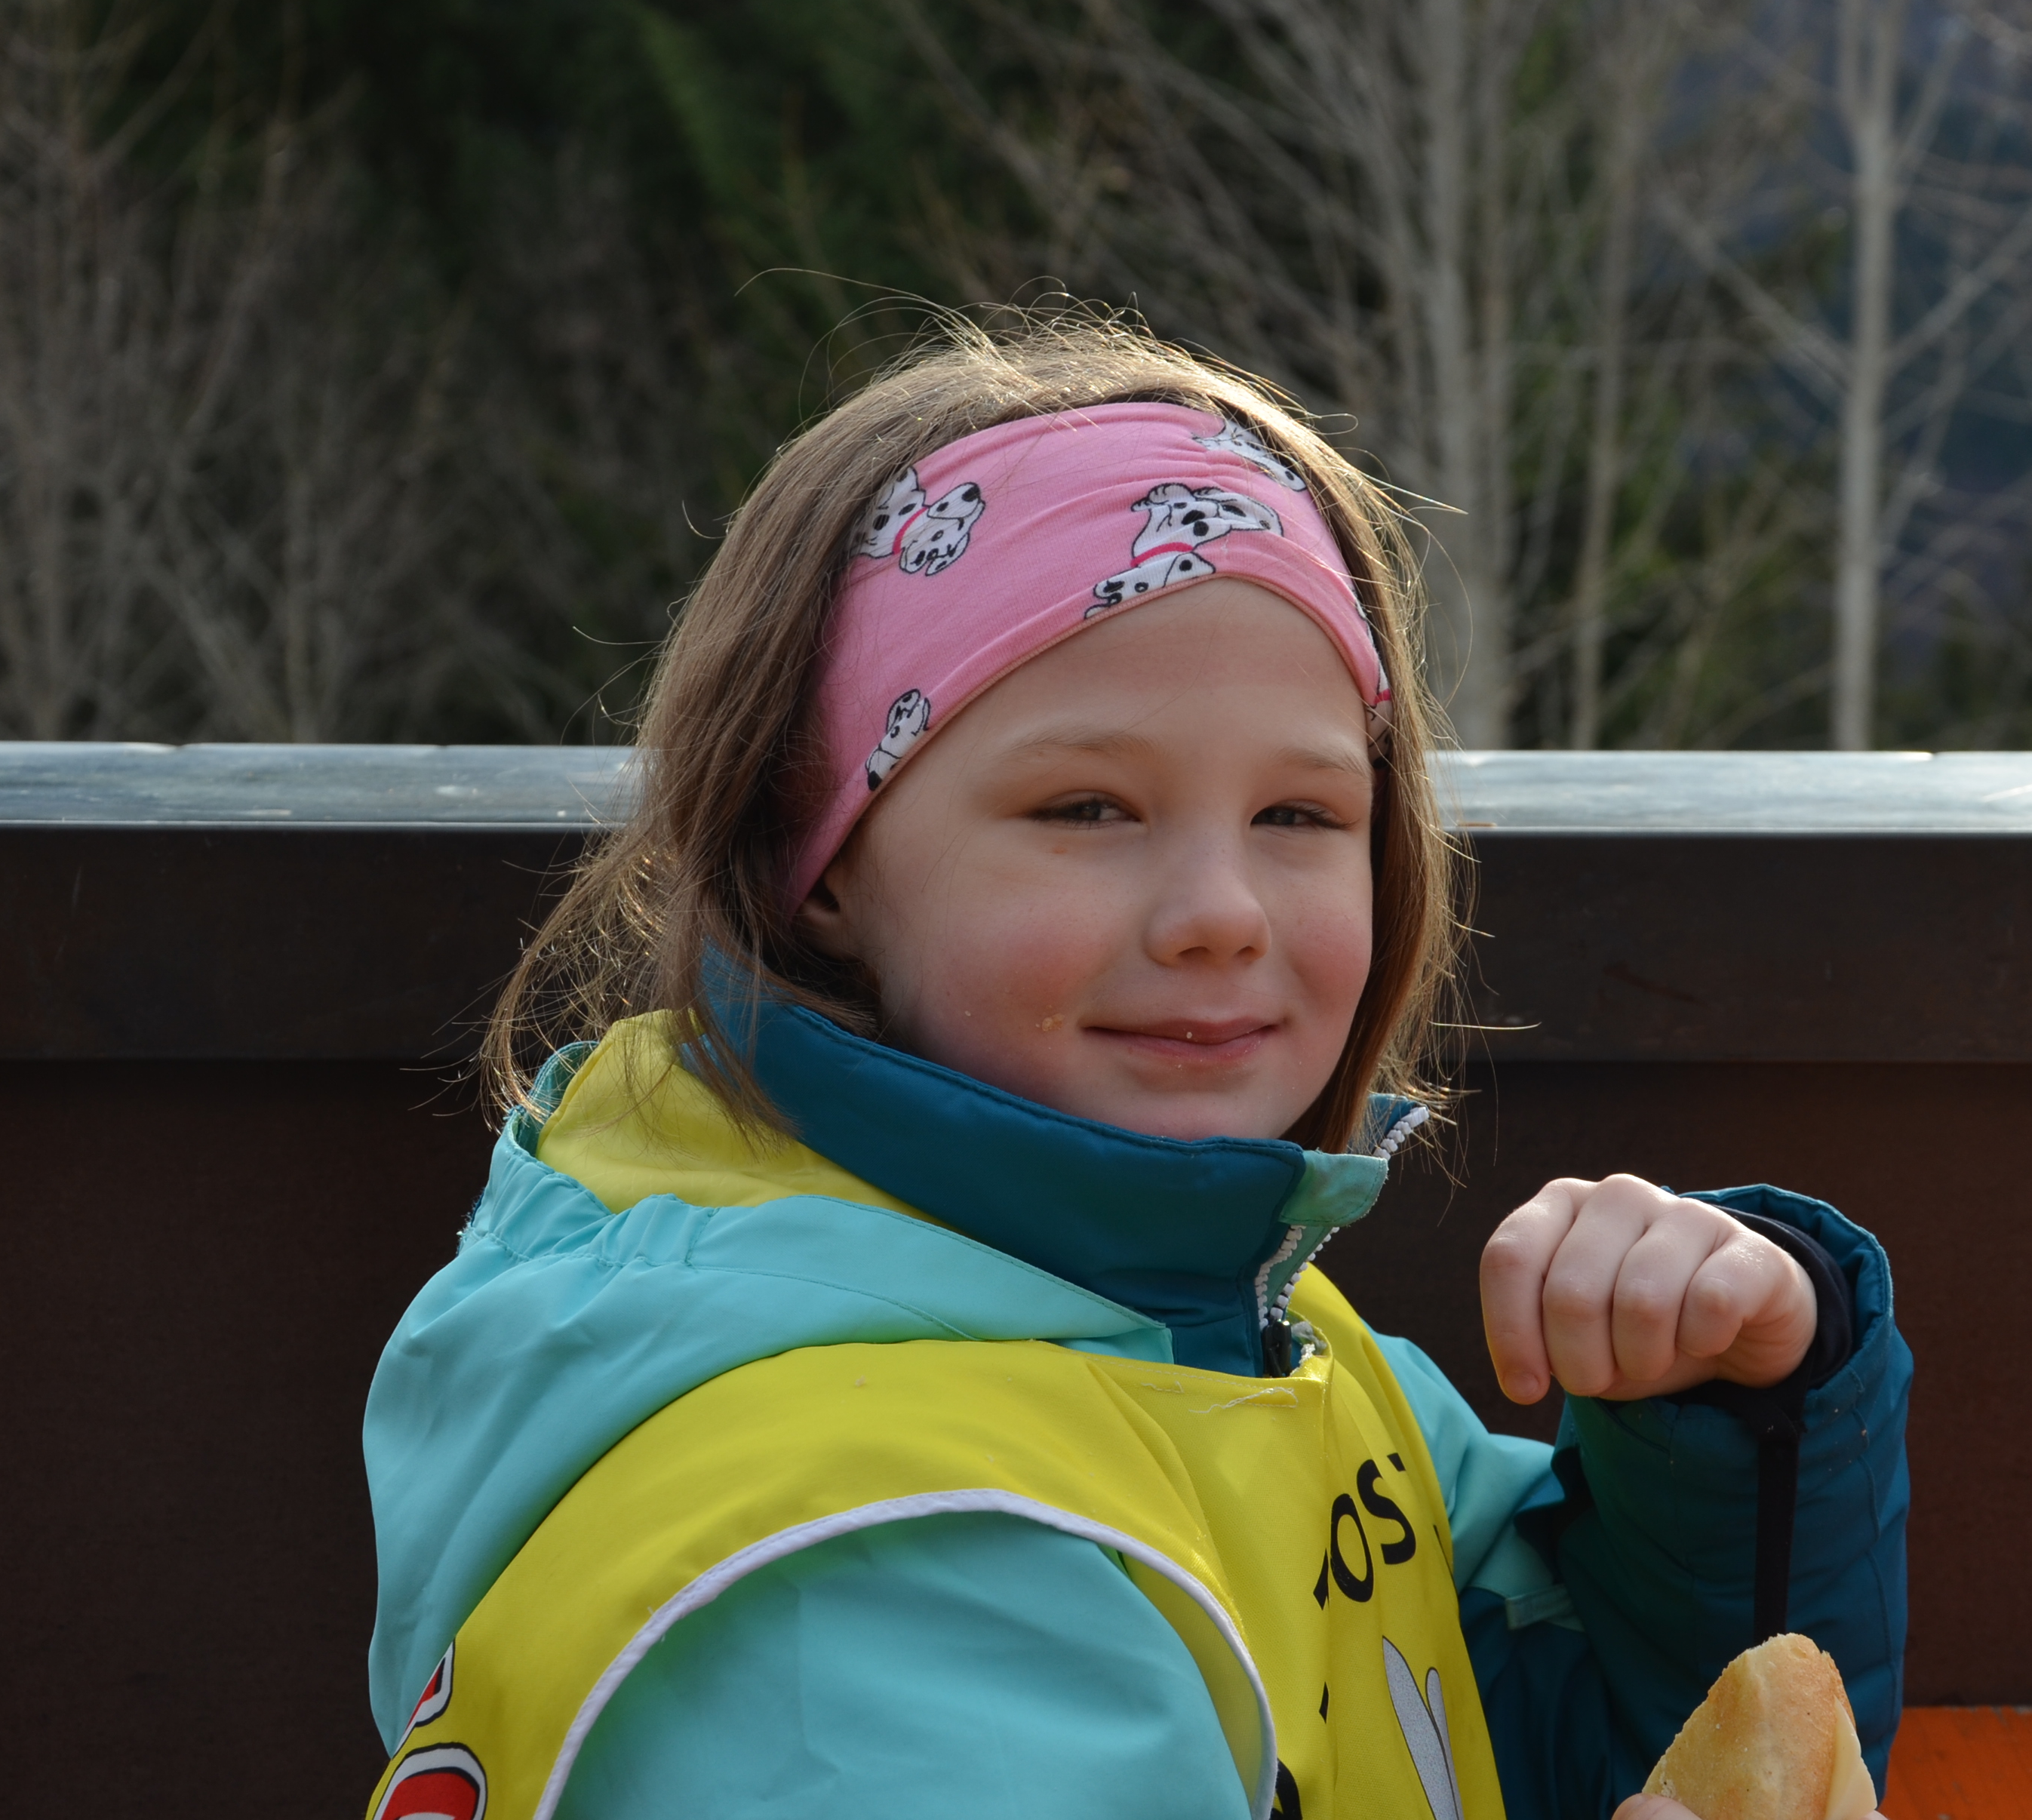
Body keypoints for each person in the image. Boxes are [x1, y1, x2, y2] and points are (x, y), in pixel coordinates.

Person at [361, 319, 1911, 1820]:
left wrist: (1723, 1428)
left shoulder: (1243, 1339)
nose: (1221, 914)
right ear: (812, 859)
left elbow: (1572, 1750)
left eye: (1300, 816)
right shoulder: (879, 1560)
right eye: (1087, 809)